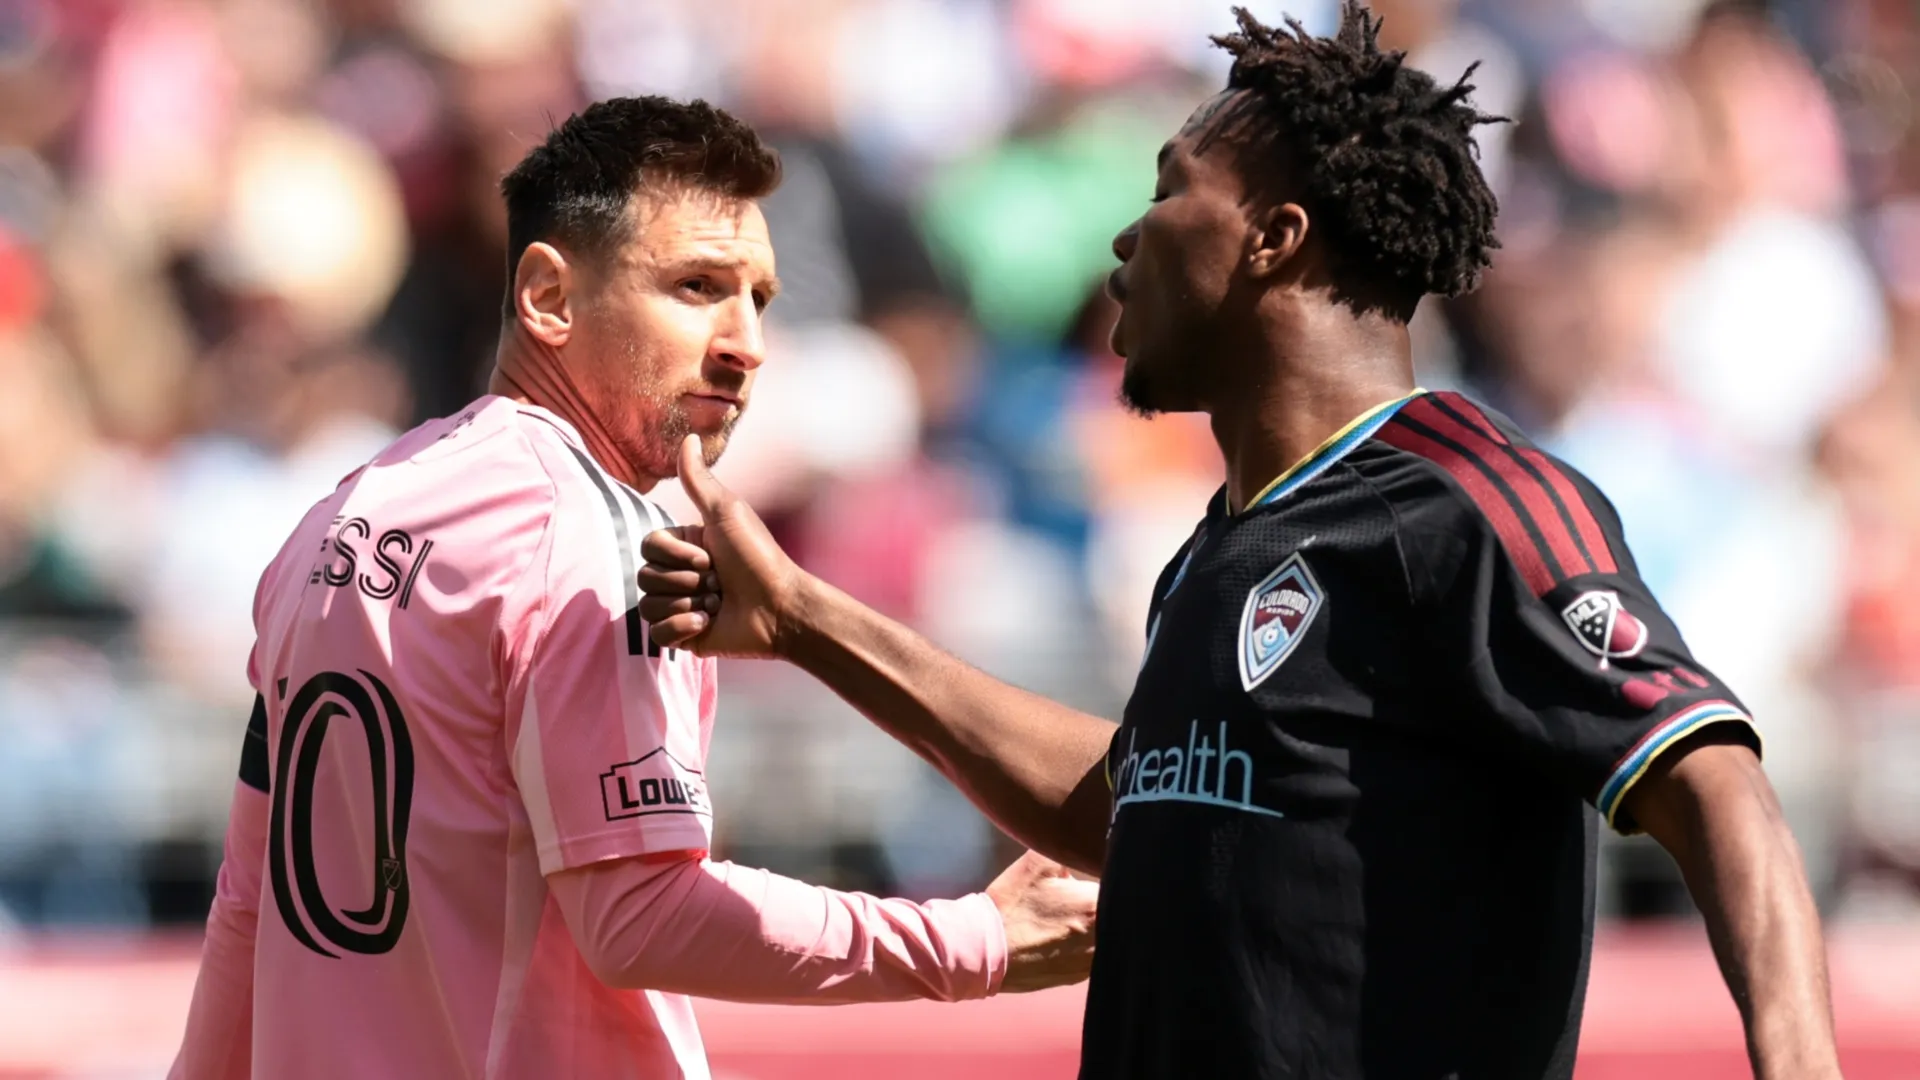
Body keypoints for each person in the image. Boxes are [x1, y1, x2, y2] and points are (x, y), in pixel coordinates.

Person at [636, 8, 1842, 1080]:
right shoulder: (1220, 549)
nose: (1127, 236)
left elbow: (1719, 788)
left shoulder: (1469, 502)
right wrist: (804, 621)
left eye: (1169, 188)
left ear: (1274, 238)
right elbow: (1136, 799)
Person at [167, 96, 1098, 1080]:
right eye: (698, 285)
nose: (748, 343)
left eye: (761, 298)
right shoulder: (594, 534)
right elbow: (638, 915)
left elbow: (248, 904)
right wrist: (974, 940)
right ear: (549, 298)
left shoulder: (340, 517)